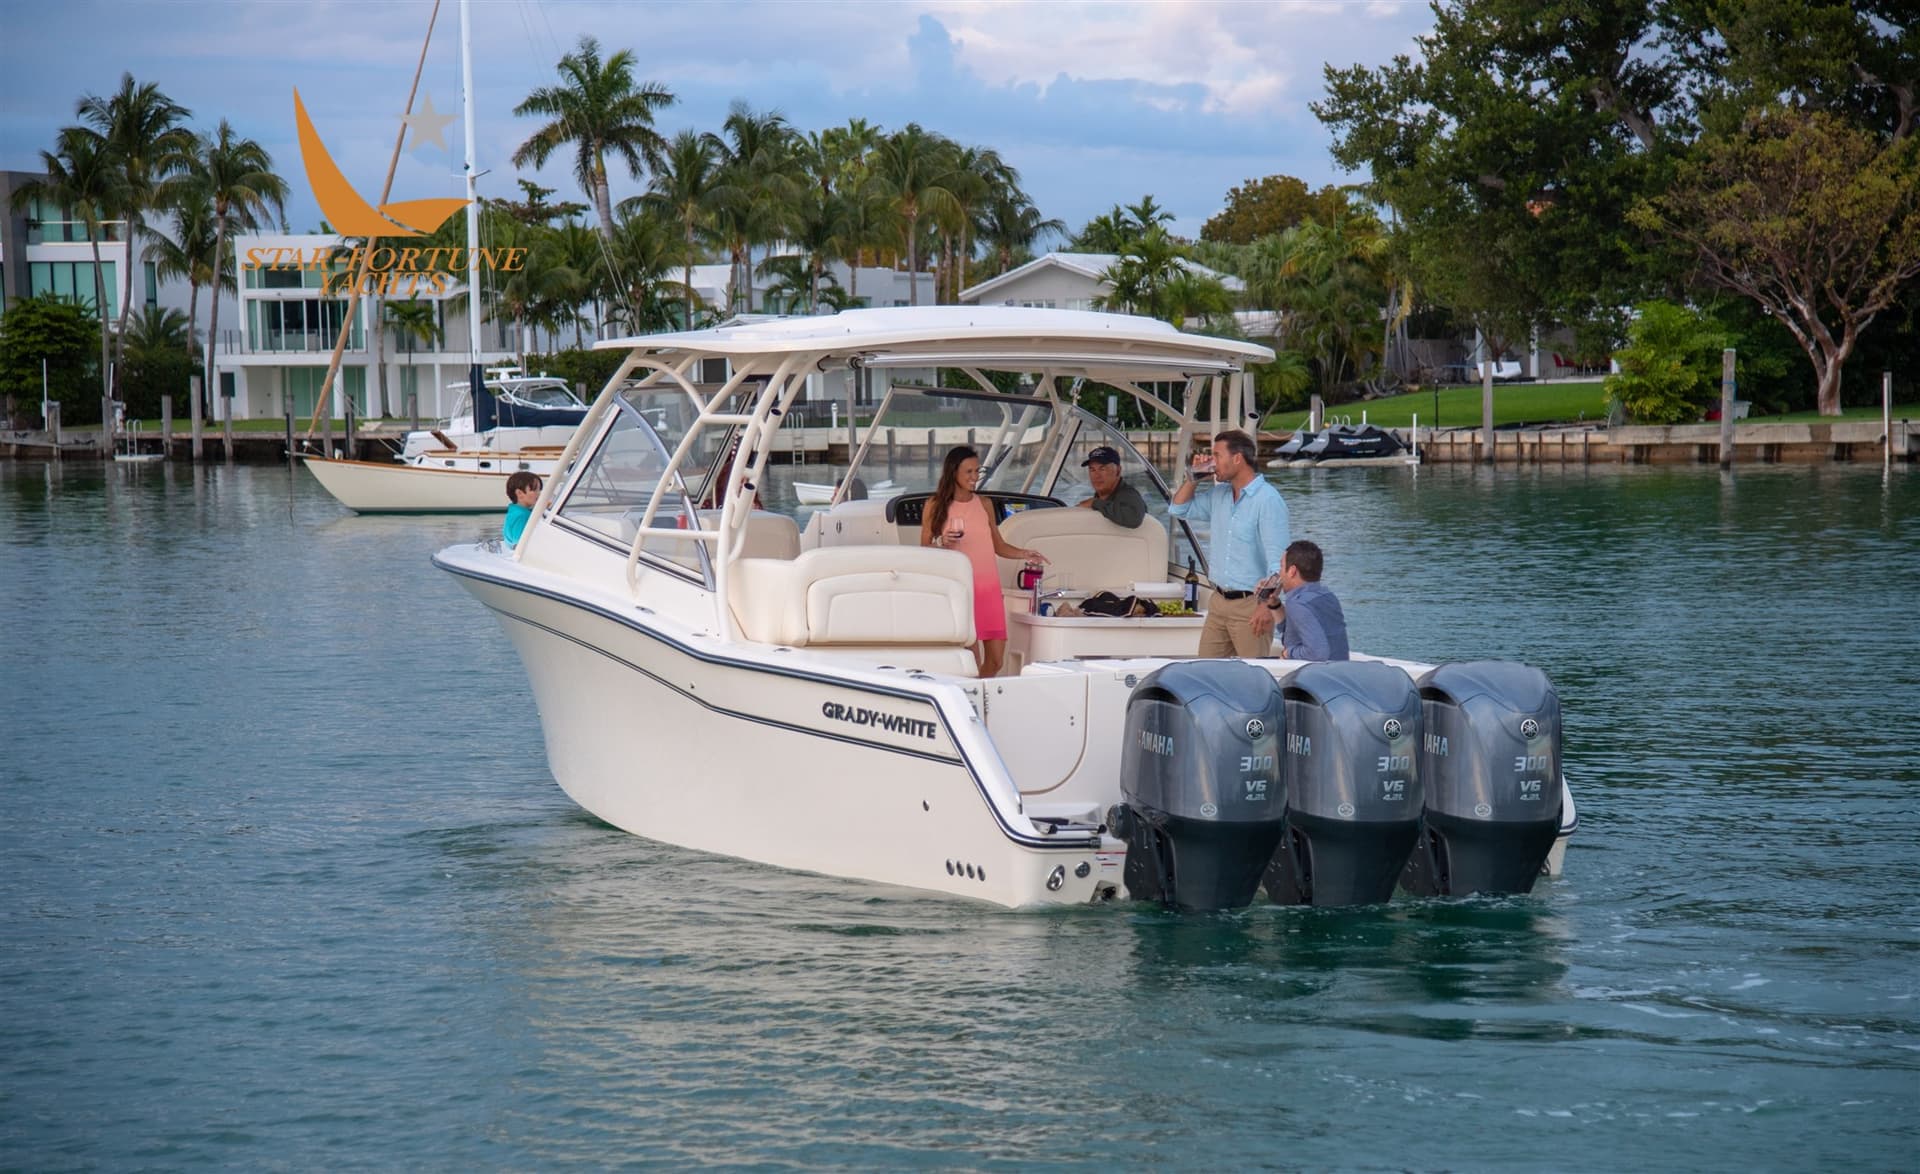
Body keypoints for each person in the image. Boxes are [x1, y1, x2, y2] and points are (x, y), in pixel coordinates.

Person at [920, 445, 1047, 679]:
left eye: (977, 471)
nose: (974, 477)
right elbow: (924, 550)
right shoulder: (934, 505)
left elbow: (998, 546)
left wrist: (1024, 554)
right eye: (968, 471)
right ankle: (973, 705)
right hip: (962, 592)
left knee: (996, 661)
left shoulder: (985, 504)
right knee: (971, 662)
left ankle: (979, 698)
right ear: (953, 472)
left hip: (989, 592)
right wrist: (941, 541)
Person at [1168, 429, 1290, 658]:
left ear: (1237, 459)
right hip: (1218, 602)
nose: (1212, 462)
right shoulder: (1219, 495)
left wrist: (1266, 607)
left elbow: (1279, 564)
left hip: (1251, 606)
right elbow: (1178, 509)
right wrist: (1193, 478)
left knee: (1252, 680)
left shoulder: (1268, 500)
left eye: (1217, 455)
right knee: (1206, 675)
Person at [1257, 540, 1349, 661]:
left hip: (1312, 675)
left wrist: (1288, 653)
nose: (1279, 573)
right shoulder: (1328, 596)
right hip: (1338, 670)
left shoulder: (1297, 604)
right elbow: (1294, 632)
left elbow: (1318, 653)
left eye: (1281, 567)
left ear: (1292, 571)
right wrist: (1274, 605)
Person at [1075, 446, 1146, 528]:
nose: (1096, 476)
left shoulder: (1128, 494)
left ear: (1118, 471)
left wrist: (1094, 503)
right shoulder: (1101, 497)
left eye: (1102, 469)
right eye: (1092, 470)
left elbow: (1134, 518)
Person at [503, 471, 542, 545]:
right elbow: (520, 545)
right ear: (519, 493)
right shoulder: (522, 516)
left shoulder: (514, 511)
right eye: (534, 490)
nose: (539, 493)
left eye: (539, 490)